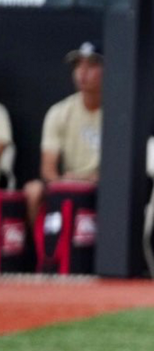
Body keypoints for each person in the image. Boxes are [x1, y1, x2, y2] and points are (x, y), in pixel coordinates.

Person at [23, 42, 103, 226]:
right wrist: (67, 181)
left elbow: (122, 169)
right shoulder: (59, 112)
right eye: (78, 65)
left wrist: (93, 179)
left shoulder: (119, 114)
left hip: (103, 186)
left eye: (91, 65)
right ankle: (43, 252)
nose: (82, 72)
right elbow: (48, 170)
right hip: (67, 184)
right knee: (33, 191)